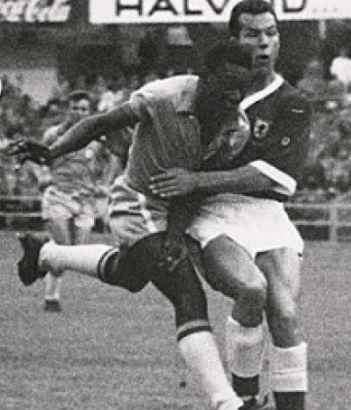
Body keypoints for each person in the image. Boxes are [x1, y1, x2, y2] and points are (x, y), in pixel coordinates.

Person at [11, 40, 263, 410]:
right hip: (137, 202)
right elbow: (102, 123)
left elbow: (197, 185)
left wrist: (175, 232)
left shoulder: (235, 128)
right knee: (187, 293)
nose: (235, 96)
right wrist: (52, 152)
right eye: (228, 85)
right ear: (205, 77)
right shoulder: (164, 96)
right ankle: (227, 402)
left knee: (130, 275)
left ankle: (46, 253)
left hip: (174, 211)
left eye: (242, 88)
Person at [148, 3, 312, 409]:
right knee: (252, 289)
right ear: (234, 40)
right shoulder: (206, 94)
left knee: (285, 314)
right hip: (212, 212)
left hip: (267, 213)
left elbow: (271, 176)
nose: (264, 43)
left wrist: (196, 179)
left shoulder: (292, 102)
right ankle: (246, 398)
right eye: (253, 34)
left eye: (271, 33)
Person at [33, 90, 103, 312]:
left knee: (76, 252)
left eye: (84, 109)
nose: (79, 112)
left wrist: (104, 182)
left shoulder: (96, 138)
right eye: (75, 108)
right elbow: (38, 158)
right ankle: (51, 299)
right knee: (63, 249)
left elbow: (110, 161)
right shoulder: (53, 135)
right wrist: (43, 174)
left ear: (89, 112)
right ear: (68, 109)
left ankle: (37, 249)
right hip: (59, 196)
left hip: (85, 199)